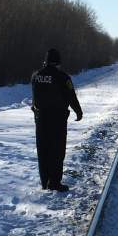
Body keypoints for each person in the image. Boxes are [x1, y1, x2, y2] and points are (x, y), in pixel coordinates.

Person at [30, 48, 83, 191]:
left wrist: (35, 111)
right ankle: (54, 182)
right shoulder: (63, 77)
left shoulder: (36, 76)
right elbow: (71, 96)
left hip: (40, 119)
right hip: (57, 120)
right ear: (58, 62)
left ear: (45, 61)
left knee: (43, 150)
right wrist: (78, 112)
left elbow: (34, 98)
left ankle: (44, 182)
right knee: (57, 151)